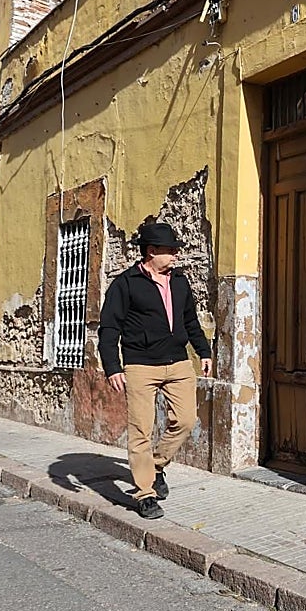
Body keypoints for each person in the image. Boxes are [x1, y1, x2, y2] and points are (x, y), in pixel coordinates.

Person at [98, 222, 211, 520]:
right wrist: (113, 367)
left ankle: (157, 464)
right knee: (140, 429)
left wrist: (204, 351)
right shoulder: (125, 284)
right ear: (151, 252)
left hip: (178, 363)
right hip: (140, 365)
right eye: (170, 251)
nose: (176, 255)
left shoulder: (180, 283)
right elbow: (109, 327)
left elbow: (190, 322)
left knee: (186, 420)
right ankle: (145, 493)